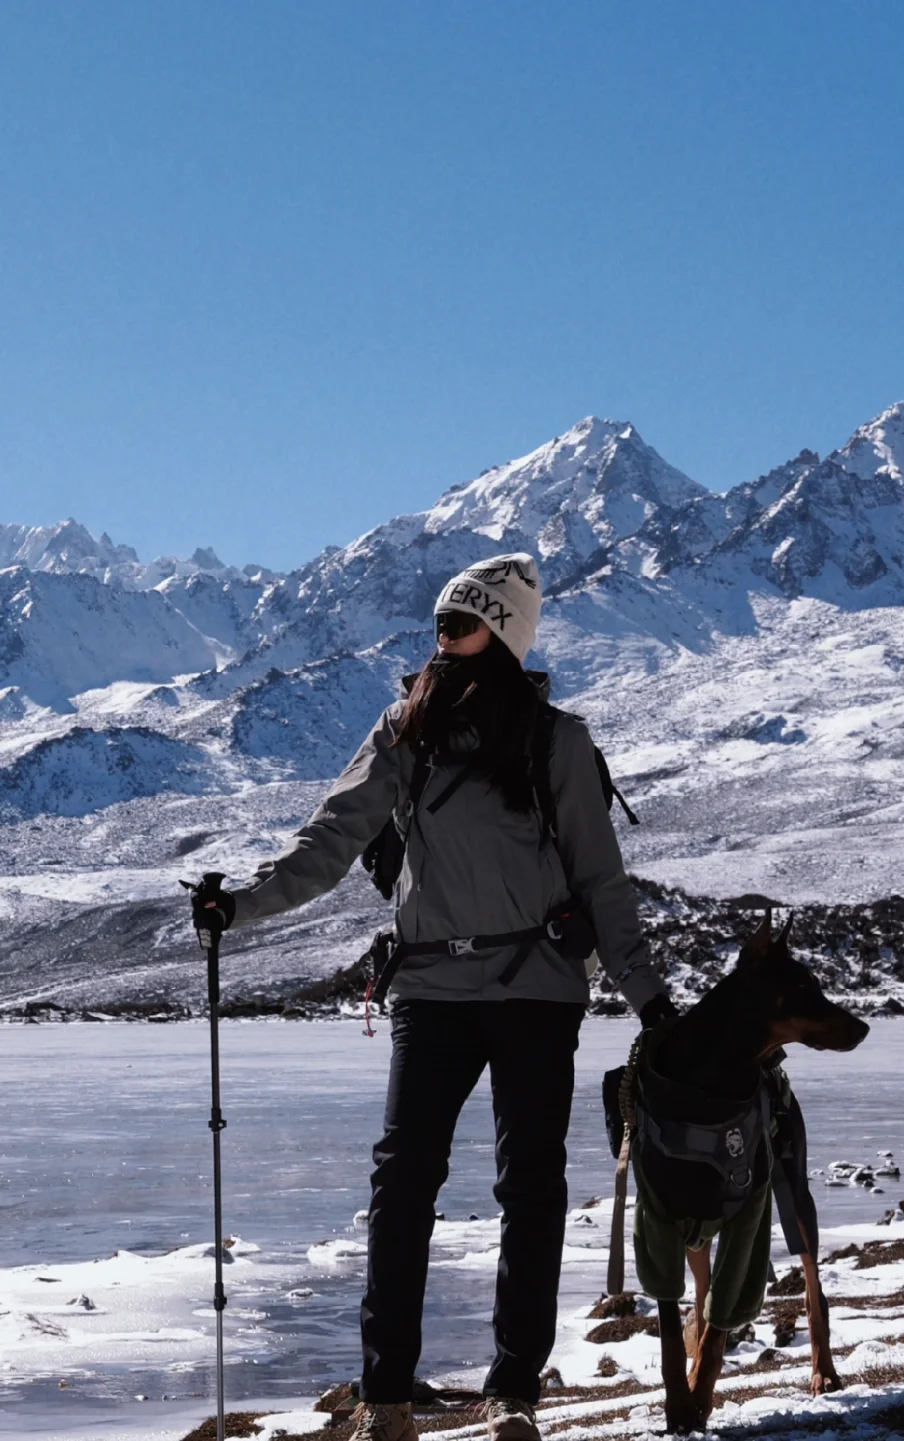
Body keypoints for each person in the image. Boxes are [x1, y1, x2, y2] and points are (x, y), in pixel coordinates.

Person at [187, 553, 676, 1441]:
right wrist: (240, 907)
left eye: (463, 625)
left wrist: (653, 1002)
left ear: (506, 633)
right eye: (442, 626)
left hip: (537, 990)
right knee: (403, 1181)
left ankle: (514, 1389)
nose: (444, 642)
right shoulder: (402, 729)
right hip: (429, 989)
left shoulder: (558, 739)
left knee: (529, 1185)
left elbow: (603, 882)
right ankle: (388, 1395)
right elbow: (331, 839)